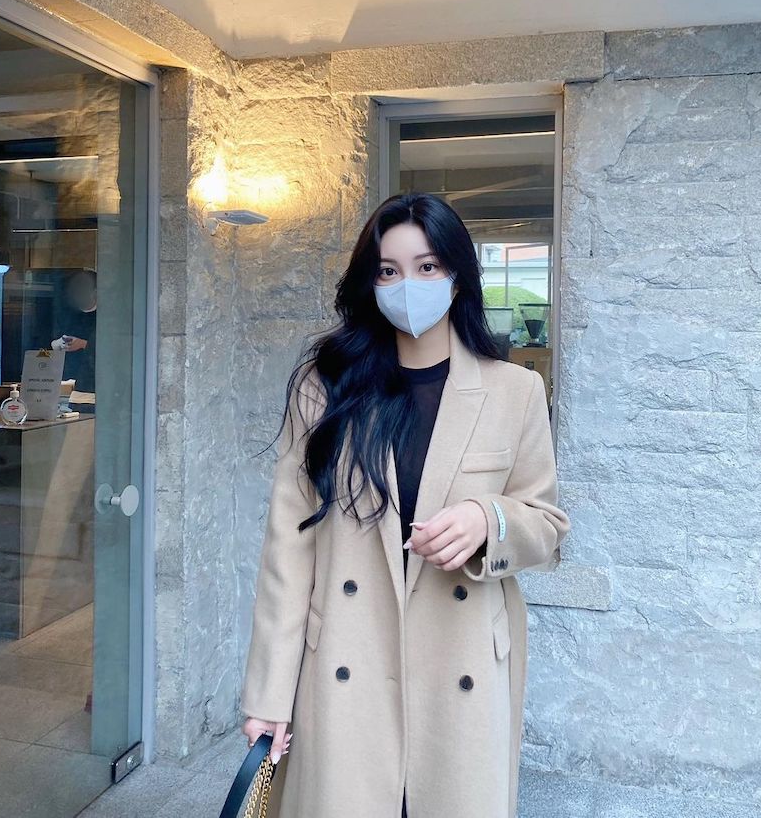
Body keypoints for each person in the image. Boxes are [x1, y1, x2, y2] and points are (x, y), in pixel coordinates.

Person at [239, 191, 571, 817]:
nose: (407, 286)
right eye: (389, 270)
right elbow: (289, 549)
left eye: (427, 266)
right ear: (370, 282)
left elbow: (547, 525)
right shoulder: (325, 388)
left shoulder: (515, 391)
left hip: (462, 661)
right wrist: (269, 694)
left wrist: (487, 520)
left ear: (457, 275)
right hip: (347, 659)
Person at [53, 269, 97, 414]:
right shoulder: (66, 312)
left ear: (95, 292)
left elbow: (114, 350)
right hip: (72, 389)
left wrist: (84, 344)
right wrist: (56, 344)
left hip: (93, 390)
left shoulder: (107, 317)